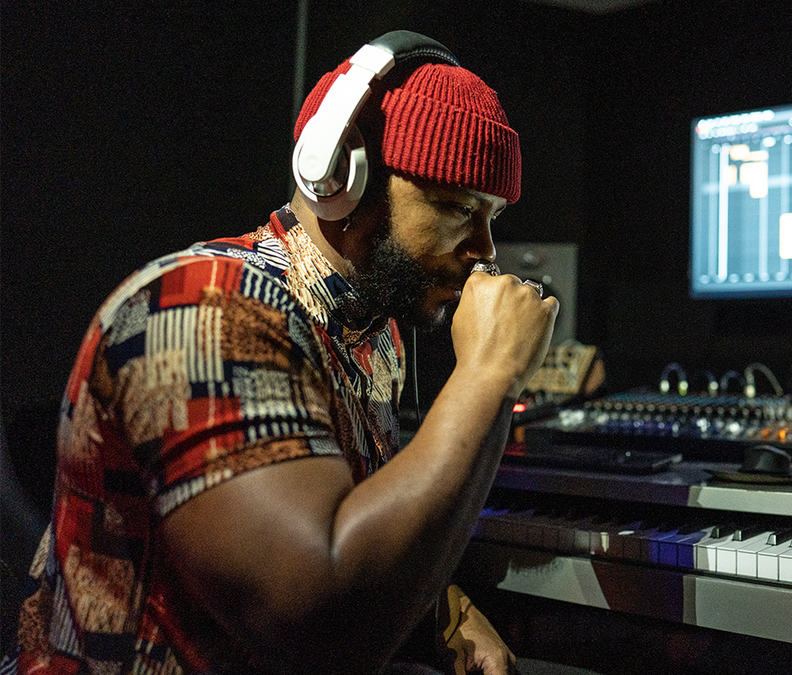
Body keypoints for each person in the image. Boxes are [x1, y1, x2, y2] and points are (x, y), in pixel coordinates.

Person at [2, 30, 556, 675]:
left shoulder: (373, 334)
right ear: (339, 179)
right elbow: (314, 629)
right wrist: (489, 374)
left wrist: (445, 609)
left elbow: (357, 529)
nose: (485, 248)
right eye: (456, 207)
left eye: (491, 215)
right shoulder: (205, 308)